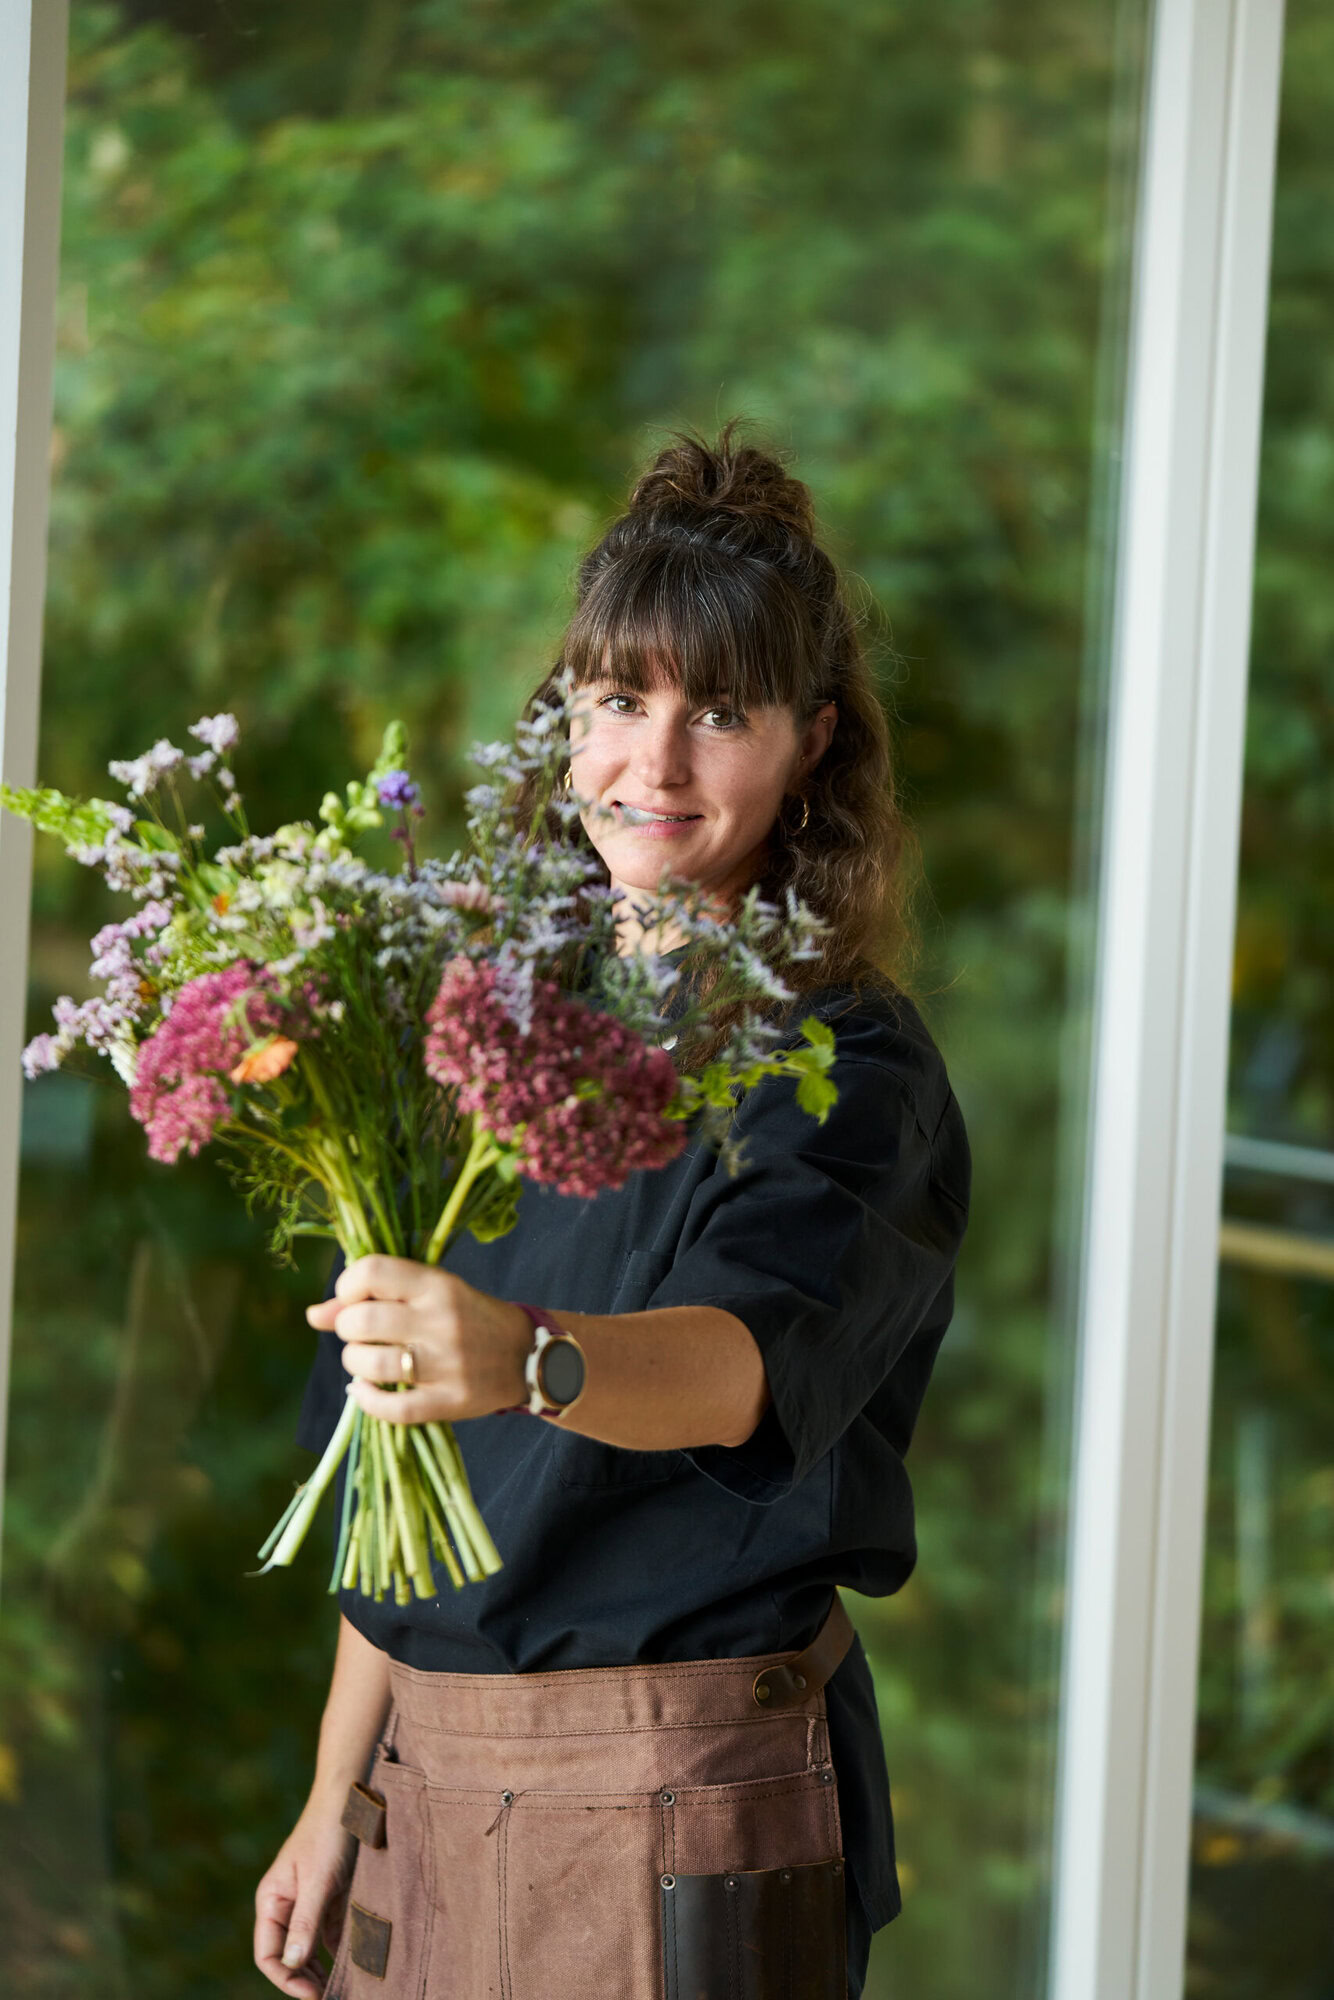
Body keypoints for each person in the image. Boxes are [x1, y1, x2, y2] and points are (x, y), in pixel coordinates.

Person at [253, 421, 971, 2000]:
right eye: (617, 702)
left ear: (809, 743)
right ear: (562, 725)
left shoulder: (846, 1064)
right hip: (426, 1788)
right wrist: (331, 1797)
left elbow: (744, 1366)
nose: (653, 768)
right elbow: (399, 1469)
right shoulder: (476, 1031)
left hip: (681, 1791)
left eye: (718, 713)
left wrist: (525, 1357)